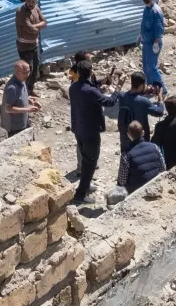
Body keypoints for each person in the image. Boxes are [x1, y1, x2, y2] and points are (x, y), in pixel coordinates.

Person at [67, 61, 107, 204]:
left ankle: (86, 184)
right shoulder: (91, 91)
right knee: (91, 161)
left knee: (85, 159)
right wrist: (117, 89)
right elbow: (109, 102)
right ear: (90, 71)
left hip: (79, 128)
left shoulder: (73, 87)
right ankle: (81, 194)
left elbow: (91, 94)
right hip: (90, 131)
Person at [113, 72, 166, 154]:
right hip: (140, 139)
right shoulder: (143, 101)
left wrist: (144, 92)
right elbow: (159, 112)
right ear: (141, 86)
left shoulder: (122, 96)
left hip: (125, 136)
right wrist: (160, 98)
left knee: (126, 160)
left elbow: (132, 97)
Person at [117, 120, 166, 193]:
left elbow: (122, 181)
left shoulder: (126, 155)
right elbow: (163, 168)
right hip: (154, 187)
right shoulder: (155, 147)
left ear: (128, 135)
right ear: (143, 133)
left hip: (135, 191)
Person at [15, 0, 47, 86]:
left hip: (34, 45)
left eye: (33, 2)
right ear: (25, 0)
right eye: (29, 1)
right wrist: (37, 27)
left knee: (35, 68)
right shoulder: (21, 11)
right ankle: (23, 90)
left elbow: (45, 22)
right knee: (27, 69)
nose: (31, 4)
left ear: (36, 2)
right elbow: (30, 29)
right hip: (24, 46)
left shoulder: (36, 8)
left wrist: (35, 26)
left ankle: (30, 89)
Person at [0, 59, 39, 136]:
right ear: (16, 72)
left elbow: (19, 96)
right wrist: (28, 109)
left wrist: (29, 100)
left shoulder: (22, 79)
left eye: (28, 71)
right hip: (15, 127)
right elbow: (8, 109)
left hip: (24, 122)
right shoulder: (12, 88)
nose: (27, 75)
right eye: (24, 73)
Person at [139, 0, 166, 88]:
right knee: (145, 66)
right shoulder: (146, 9)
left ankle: (162, 89)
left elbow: (159, 29)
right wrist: (140, 36)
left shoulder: (156, 11)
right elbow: (144, 25)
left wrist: (156, 43)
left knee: (151, 67)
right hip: (146, 42)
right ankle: (151, 87)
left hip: (153, 42)